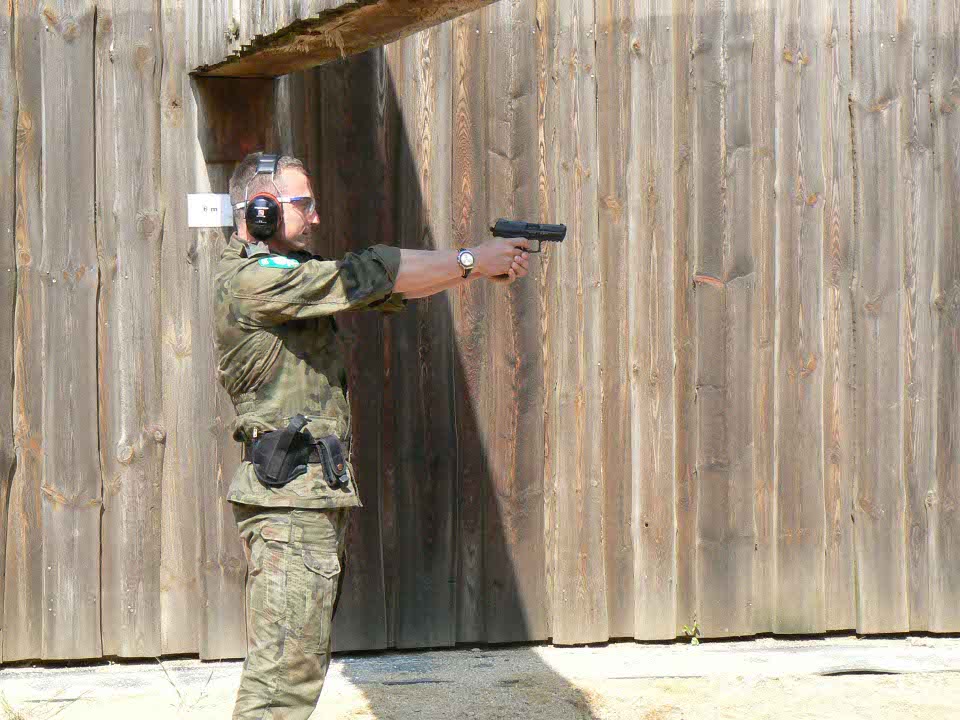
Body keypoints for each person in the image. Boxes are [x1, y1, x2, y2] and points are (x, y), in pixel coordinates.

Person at [215, 152, 531, 719]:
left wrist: (476, 267)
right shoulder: (253, 281)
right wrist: (470, 260)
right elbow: (368, 272)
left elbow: (386, 284)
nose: (315, 216)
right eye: (304, 203)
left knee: (294, 670)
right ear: (260, 210)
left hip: (305, 498)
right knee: (281, 684)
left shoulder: (287, 275)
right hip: (291, 503)